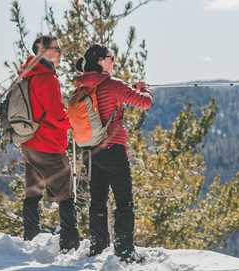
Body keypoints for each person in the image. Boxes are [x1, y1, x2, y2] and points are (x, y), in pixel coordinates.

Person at [74, 44, 153, 263]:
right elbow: (144, 103)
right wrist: (144, 89)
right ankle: (124, 251)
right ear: (101, 60)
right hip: (113, 148)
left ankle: (98, 246)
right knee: (123, 201)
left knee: (97, 200)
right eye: (111, 58)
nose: (113, 62)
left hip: (90, 150)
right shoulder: (112, 85)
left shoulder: (81, 86)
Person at [20, 35, 80, 253]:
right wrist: (71, 121)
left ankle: (30, 237)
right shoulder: (46, 77)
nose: (60, 53)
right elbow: (55, 114)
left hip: (29, 142)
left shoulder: (28, 74)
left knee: (33, 191)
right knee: (66, 193)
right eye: (55, 49)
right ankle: (70, 243)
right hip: (48, 144)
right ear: (41, 51)